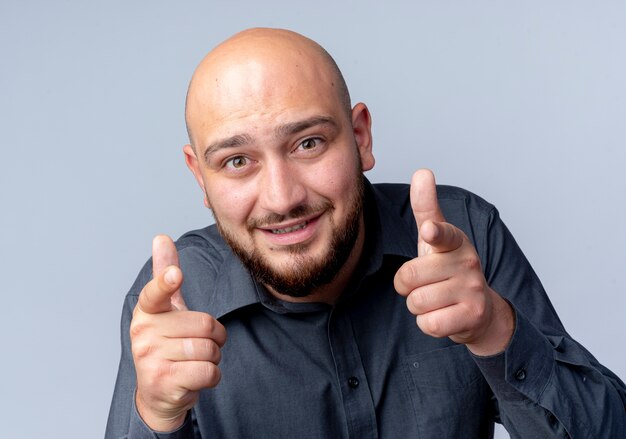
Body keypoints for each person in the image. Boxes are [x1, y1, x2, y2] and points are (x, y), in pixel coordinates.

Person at [106, 28, 626, 438]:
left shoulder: (463, 236)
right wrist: (156, 418)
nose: (282, 197)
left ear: (360, 138)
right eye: (238, 160)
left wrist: (497, 331)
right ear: (201, 177)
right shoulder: (174, 300)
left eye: (308, 143)